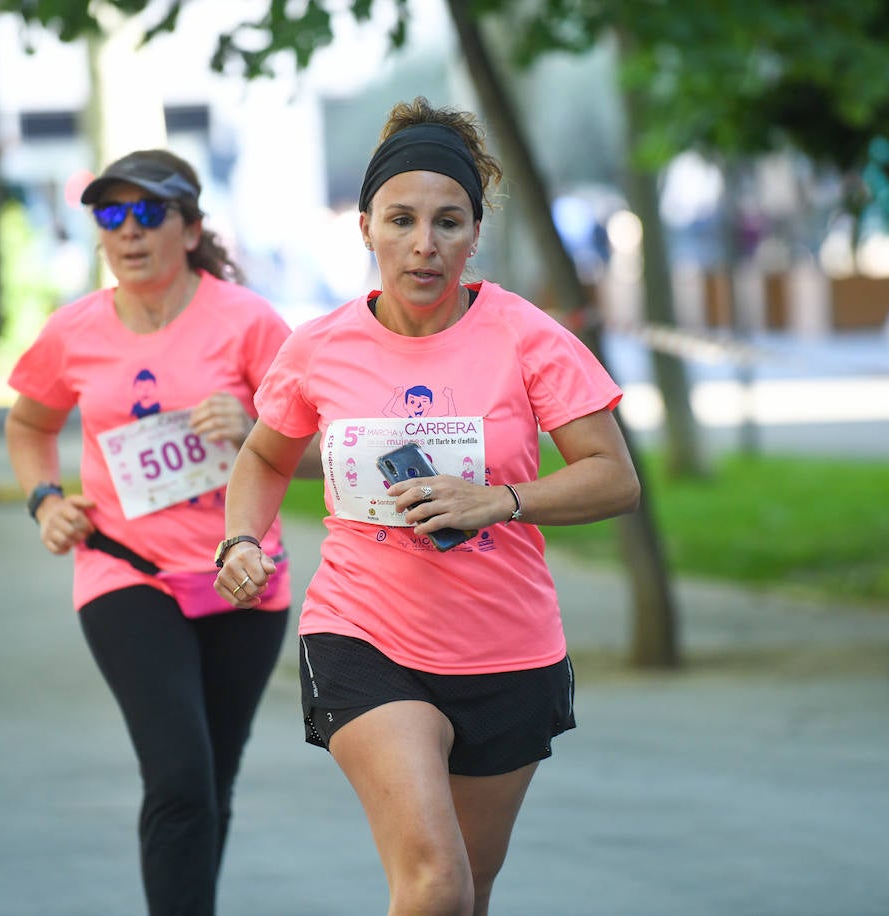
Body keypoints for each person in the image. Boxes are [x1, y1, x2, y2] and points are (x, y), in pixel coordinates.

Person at [215, 97, 641, 915]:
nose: (424, 244)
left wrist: (502, 500)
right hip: (363, 633)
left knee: (466, 894)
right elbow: (265, 455)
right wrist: (241, 538)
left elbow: (613, 477)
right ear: (366, 227)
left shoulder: (528, 337)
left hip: (507, 649)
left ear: (475, 234)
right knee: (433, 878)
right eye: (401, 219)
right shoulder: (320, 347)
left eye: (448, 222)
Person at [5, 149, 299, 916]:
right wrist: (44, 499)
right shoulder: (73, 331)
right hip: (123, 571)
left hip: (241, 571)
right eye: (111, 215)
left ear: (192, 227)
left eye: (148, 213)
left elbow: (314, 448)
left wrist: (253, 428)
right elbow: (30, 423)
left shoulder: (250, 322)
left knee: (210, 781)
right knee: (178, 776)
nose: (128, 232)